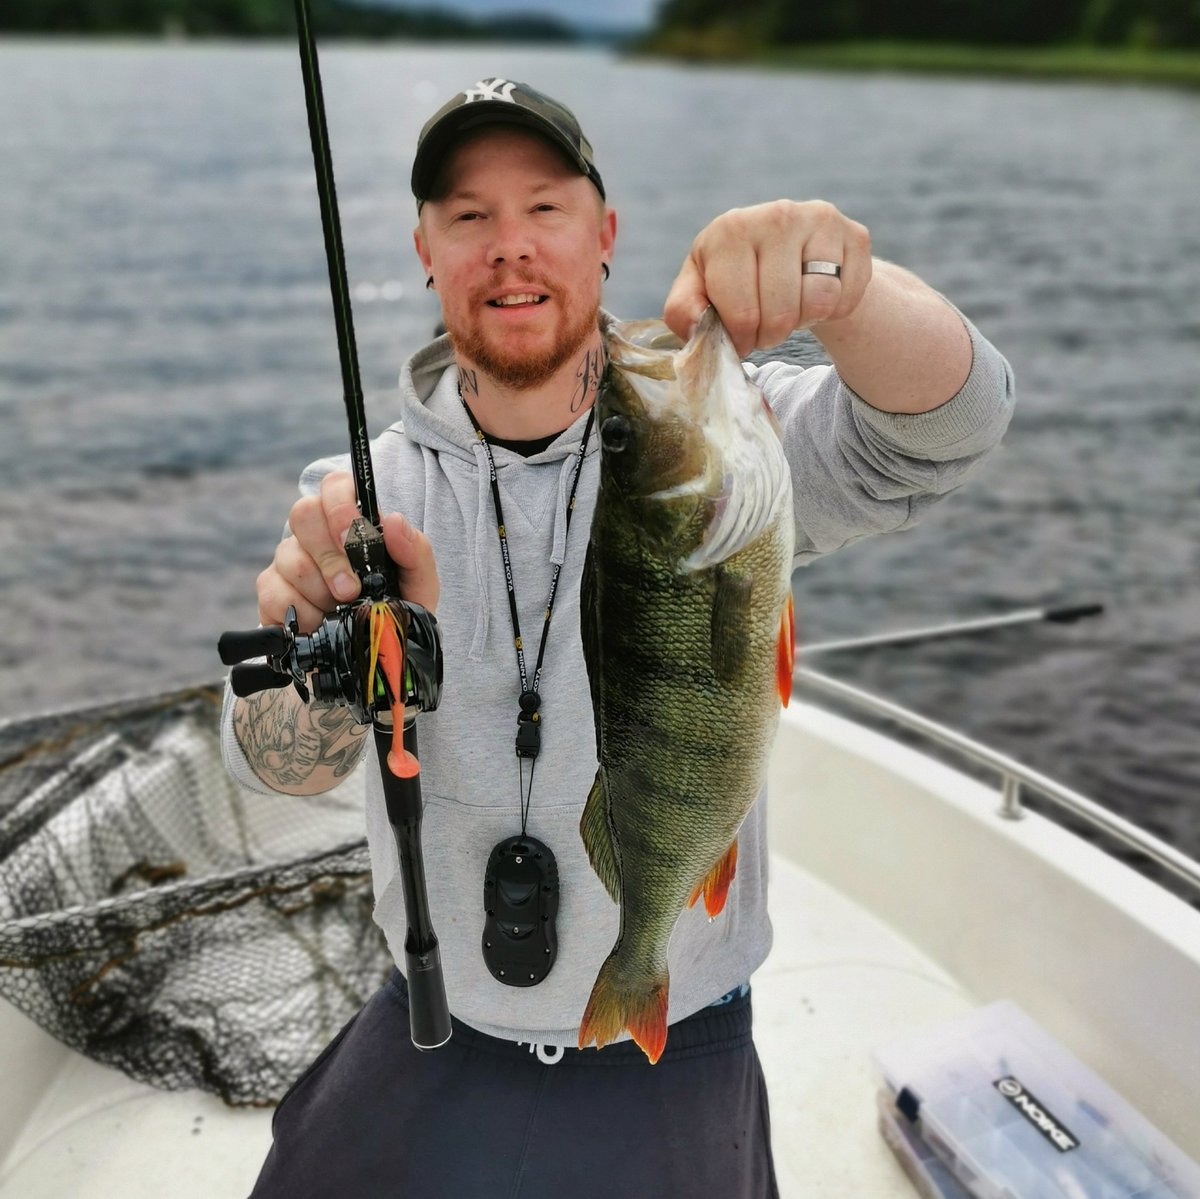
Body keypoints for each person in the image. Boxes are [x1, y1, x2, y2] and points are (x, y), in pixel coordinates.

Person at [221, 78, 1014, 1197]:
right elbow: (266, 760)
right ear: (426, 251)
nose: (511, 248)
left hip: (678, 1037)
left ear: (605, 236)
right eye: (469, 216)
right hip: (435, 1017)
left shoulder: (723, 434)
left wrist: (846, 287)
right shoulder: (362, 501)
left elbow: (957, 426)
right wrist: (322, 657)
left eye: (544, 208)